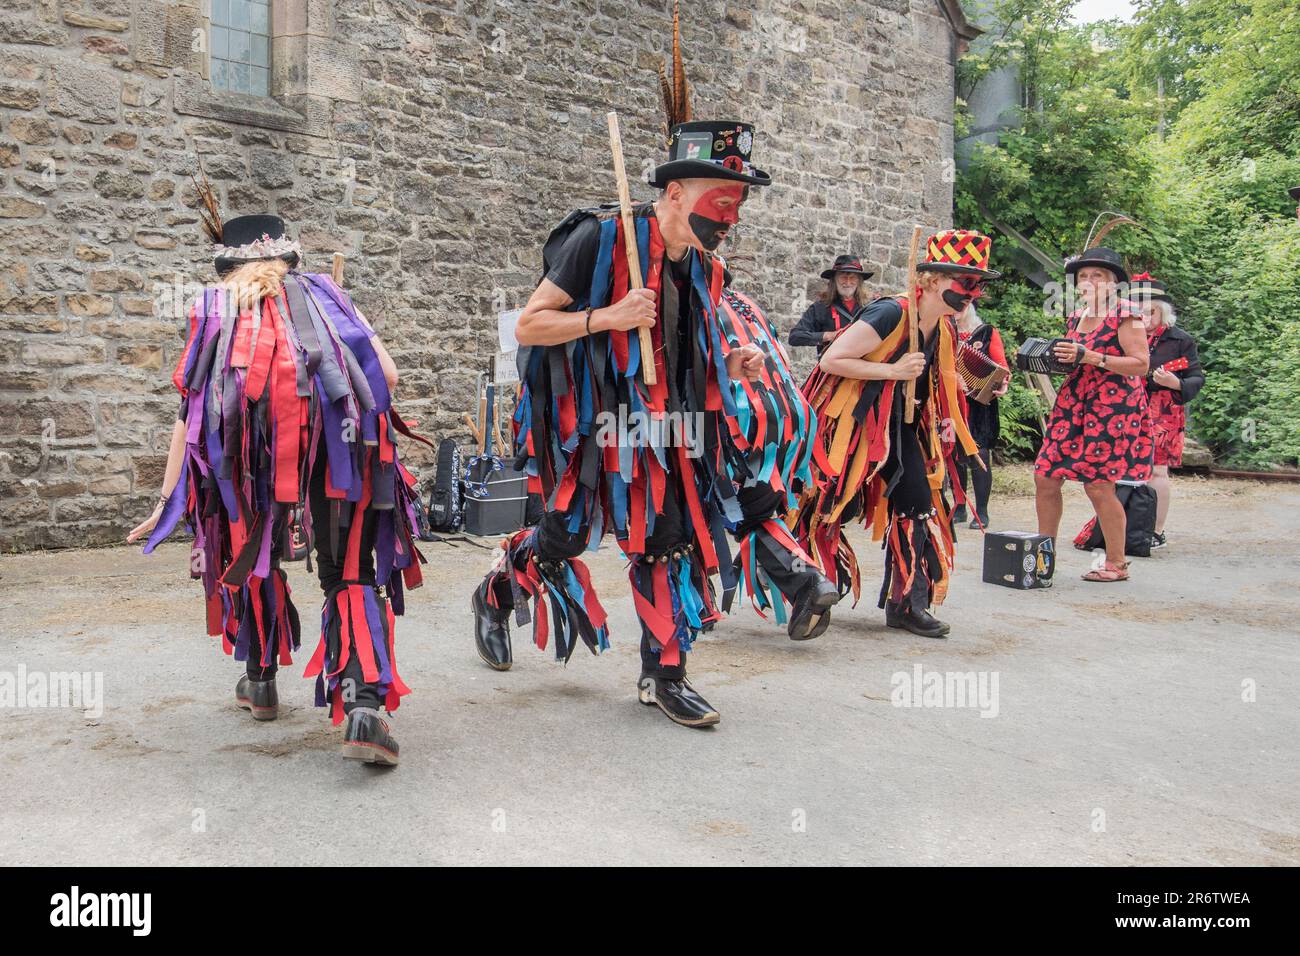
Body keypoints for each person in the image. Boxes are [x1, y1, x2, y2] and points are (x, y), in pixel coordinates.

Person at [469, 27, 837, 729]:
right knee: (566, 535)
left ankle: (664, 674)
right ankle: (499, 589)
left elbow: (688, 347)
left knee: (666, 540)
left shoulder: (708, 266)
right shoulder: (599, 239)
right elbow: (529, 327)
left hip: (669, 427)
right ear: (674, 194)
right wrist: (606, 316)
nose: (731, 218)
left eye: (739, 205)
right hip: (593, 426)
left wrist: (732, 364)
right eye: (720, 202)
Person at [127, 210, 425, 766]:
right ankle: (363, 705)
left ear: (226, 269)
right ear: (288, 260)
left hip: (247, 458)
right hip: (339, 449)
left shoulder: (214, 310)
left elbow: (190, 417)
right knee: (348, 567)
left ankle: (260, 682)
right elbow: (386, 377)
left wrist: (169, 500)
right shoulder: (326, 295)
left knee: (253, 552)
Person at [791, 230, 994, 639]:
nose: (973, 292)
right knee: (825, 509)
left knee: (919, 504)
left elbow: (934, 382)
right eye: (964, 281)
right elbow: (832, 360)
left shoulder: (945, 327)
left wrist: (942, 417)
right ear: (933, 280)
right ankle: (805, 594)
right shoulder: (889, 313)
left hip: (900, 428)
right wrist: (891, 370)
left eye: (978, 284)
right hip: (850, 426)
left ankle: (907, 604)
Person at [1034, 247, 1151, 582]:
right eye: (1083, 276)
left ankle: (1117, 564)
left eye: (1097, 275)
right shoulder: (1077, 315)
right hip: (1073, 404)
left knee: (1099, 486)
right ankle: (1044, 556)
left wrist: (1092, 356)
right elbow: (1077, 358)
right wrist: (1048, 359)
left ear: (1113, 283)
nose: (1088, 281)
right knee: (1045, 476)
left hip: (1112, 408)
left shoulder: (1126, 314)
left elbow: (1141, 365)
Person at [1131, 274, 1204, 549]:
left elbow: (1196, 377)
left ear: (1162, 310)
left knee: (1157, 471)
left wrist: (1175, 383)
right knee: (1121, 469)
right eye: (1136, 309)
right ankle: (1124, 526)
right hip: (1126, 407)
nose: (1143, 316)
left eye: (1149, 310)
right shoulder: (1123, 334)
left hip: (1163, 411)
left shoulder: (1179, 340)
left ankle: (1156, 531)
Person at [952, 302, 1008, 528]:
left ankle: (981, 511)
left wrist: (1002, 383)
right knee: (954, 452)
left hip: (979, 403)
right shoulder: (942, 330)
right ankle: (960, 507)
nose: (957, 309)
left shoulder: (986, 332)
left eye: (962, 305)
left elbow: (1001, 366)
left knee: (979, 453)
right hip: (952, 399)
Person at [789, 255, 876, 354]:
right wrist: (829, 336)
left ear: (859, 281)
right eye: (843, 277)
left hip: (864, 366)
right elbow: (795, 337)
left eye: (853, 277)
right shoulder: (820, 307)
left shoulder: (872, 306)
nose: (848, 282)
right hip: (831, 367)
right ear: (834, 280)